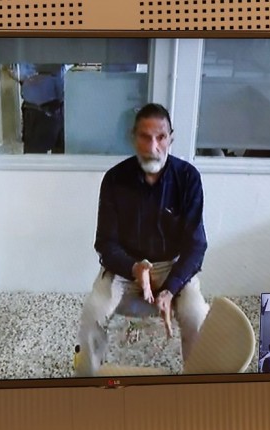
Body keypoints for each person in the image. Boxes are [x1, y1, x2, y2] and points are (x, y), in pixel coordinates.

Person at [75, 103, 210, 377]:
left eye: (160, 137)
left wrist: (170, 289)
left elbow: (196, 245)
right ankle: (86, 383)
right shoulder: (114, 179)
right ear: (133, 137)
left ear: (171, 138)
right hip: (127, 268)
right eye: (145, 137)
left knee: (197, 315)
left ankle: (197, 385)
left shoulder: (188, 178)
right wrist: (135, 268)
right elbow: (105, 242)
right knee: (92, 313)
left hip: (173, 266)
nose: (153, 146)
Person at [5, 63, 65, 154]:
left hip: (60, 107)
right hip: (37, 110)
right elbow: (15, 71)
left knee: (62, 157)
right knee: (35, 156)